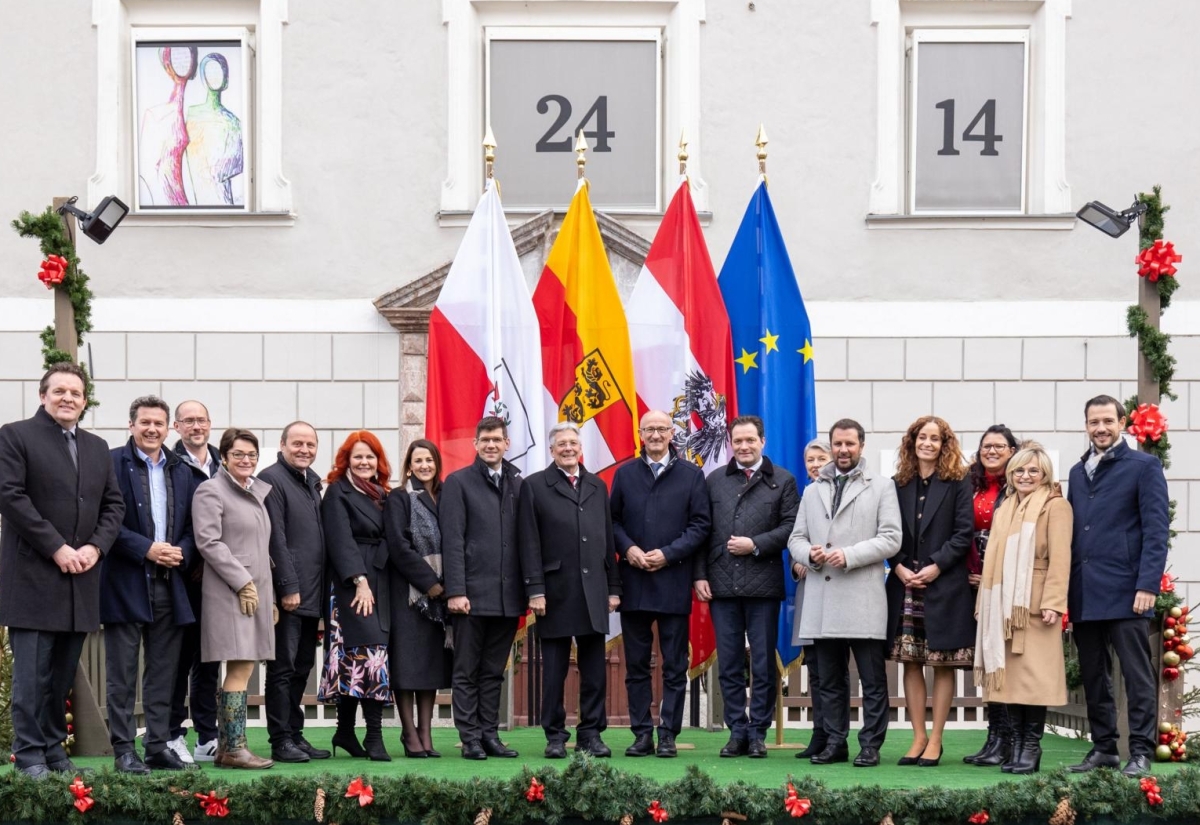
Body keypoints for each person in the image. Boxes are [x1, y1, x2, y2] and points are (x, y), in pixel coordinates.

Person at [0, 363, 125, 779]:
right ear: (43, 396)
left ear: (84, 401)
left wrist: (94, 547)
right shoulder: (15, 436)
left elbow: (114, 506)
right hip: (34, 577)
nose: (68, 398)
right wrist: (57, 547)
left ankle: (54, 750)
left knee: (61, 676)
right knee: (32, 676)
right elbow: (11, 498)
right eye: (59, 392)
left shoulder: (95, 446)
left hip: (80, 580)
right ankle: (29, 753)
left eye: (76, 392)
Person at [1067, 395, 1170, 778]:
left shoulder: (1144, 466)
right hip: (1084, 593)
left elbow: (1156, 531)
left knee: (1136, 675)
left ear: (1122, 422)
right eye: (1094, 422)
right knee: (1094, 675)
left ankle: (1140, 752)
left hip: (1129, 591)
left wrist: (1148, 585)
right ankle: (1104, 748)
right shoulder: (1078, 473)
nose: (1101, 428)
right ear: (1086, 425)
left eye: (1108, 420)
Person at [789, 418, 901, 768]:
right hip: (823, 598)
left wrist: (849, 555)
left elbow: (891, 538)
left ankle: (870, 744)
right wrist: (810, 554)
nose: (843, 450)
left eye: (850, 444)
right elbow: (796, 538)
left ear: (861, 446)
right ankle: (835, 742)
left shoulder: (881, 486)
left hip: (862, 596)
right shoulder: (811, 490)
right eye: (837, 444)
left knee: (871, 679)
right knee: (830, 680)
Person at [103, 395, 200, 773]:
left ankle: (158, 745)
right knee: (122, 674)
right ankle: (125, 750)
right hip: (125, 581)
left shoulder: (181, 469)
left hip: (169, 584)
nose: (152, 429)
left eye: (159, 423)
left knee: (163, 672)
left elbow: (195, 527)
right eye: (145, 422)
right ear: (131, 425)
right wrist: (147, 549)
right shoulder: (111, 463)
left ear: (168, 428)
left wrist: (182, 552)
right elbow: (105, 522)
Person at [694, 415, 799, 759]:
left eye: (750, 440)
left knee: (763, 664)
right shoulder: (714, 481)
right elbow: (702, 532)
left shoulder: (782, 481)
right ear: (731, 444)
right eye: (737, 441)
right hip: (721, 585)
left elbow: (791, 528)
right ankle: (736, 731)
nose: (744, 446)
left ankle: (758, 732)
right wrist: (700, 575)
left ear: (762, 441)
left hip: (763, 586)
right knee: (729, 662)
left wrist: (755, 543)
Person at [610, 410, 711, 758]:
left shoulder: (691, 475)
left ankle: (668, 733)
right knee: (636, 665)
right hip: (634, 581)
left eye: (661, 429)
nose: (655, 434)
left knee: (674, 665)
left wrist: (668, 554)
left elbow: (700, 526)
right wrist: (630, 548)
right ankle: (641, 733)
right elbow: (613, 521)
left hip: (672, 580)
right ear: (640, 434)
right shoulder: (624, 475)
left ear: (672, 434)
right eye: (649, 429)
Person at [519, 422, 622, 759]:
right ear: (551, 450)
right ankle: (555, 735)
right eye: (561, 443)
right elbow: (529, 543)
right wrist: (535, 589)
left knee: (594, 671)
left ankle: (591, 734)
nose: (567, 448)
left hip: (593, 592)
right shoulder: (534, 486)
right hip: (555, 592)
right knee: (553, 672)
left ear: (581, 448)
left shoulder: (596, 486)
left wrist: (613, 588)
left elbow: (607, 541)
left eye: (573, 443)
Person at [974, 443, 1071, 774]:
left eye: (1033, 470)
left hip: (1035, 606)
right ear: (1011, 474)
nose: (1025, 476)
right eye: (1019, 470)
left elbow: (1060, 558)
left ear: (1045, 474)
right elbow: (992, 562)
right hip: (1002, 607)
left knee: (1035, 682)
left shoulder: (1055, 506)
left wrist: (1054, 603)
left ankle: (1031, 747)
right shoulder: (1006, 508)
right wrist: (984, 603)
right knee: (1009, 683)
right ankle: (1016, 746)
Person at [886, 416, 974, 767]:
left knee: (941, 664)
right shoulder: (897, 483)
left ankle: (936, 739)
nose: (928, 443)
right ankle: (917, 736)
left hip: (944, 583)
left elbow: (963, 531)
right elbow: (886, 530)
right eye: (922, 437)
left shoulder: (958, 481)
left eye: (935, 438)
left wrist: (936, 565)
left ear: (944, 444)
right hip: (905, 581)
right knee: (910, 662)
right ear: (912, 442)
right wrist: (898, 565)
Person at [440, 416, 525, 760]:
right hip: (470, 596)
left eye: (497, 439)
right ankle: (470, 737)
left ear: (507, 444)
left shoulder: (519, 484)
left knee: (493, 671)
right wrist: (456, 591)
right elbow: (453, 540)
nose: (491, 445)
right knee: (466, 670)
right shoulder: (458, 483)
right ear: (475, 445)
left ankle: (490, 734)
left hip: (507, 597)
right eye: (485, 439)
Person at [191, 428, 275, 769]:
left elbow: (260, 547)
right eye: (238, 454)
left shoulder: (254, 490)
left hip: (256, 590)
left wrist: (269, 594)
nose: (246, 460)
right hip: (230, 591)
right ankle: (232, 749)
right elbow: (208, 542)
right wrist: (242, 582)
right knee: (239, 662)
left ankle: (231, 748)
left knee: (246, 663)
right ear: (223, 456)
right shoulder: (210, 490)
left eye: (251, 455)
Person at [318, 431, 395, 762]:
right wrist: (359, 580)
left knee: (357, 658)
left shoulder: (383, 495)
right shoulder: (338, 493)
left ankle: (345, 731)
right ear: (346, 461)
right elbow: (340, 541)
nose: (365, 462)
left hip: (381, 580)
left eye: (370, 456)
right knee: (368, 656)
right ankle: (374, 737)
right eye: (358, 457)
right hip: (352, 585)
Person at [258, 421, 330, 763]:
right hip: (291, 595)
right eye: (297, 443)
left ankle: (295, 733)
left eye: (310, 444)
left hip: (312, 595)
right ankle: (280, 739)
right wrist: (287, 586)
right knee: (282, 669)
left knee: (301, 668)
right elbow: (277, 539)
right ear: (283, 444)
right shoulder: (273, 479)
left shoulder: (311, 483)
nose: (304, 449)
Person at [383, 439, 452, 758]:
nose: (424, 465)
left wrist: (446, 585)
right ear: (409, 466)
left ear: (437, 463)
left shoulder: (446, 495)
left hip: (443, 593)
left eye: (429, 459)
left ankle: (426, 733)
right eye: (418, 460)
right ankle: (409, 733)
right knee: (408, 666)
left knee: (431, 666)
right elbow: (398, 546)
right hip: (411, 594)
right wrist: (429, 583)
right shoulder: (399, 497)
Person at [167, 399, 221, 764]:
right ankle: (172, 733)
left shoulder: (225, 463)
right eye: (188, 421)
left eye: (201, 420)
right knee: (178, 659)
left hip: (219, 579)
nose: (196, 426)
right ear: (177, 426)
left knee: (210, 660)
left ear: (210, 424)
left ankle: (208, 735)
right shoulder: (170, 465)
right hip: (183, 576)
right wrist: (191, 560)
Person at [962, 425, 1018, 767]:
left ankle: (1009, 738)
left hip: (1004, 583)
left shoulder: (1020, 486)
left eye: (999, 446)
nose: (992, 451)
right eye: (987, 446)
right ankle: (994, 735)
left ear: (1012, 450)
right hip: (971, 581)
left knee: (1003, 661)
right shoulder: (969, 485)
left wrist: (993, 575)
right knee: (984, 659)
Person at [790, 438, 836, 760]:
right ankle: (818, 733)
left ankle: (835, 734)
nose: (815, 464)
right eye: (810, 459)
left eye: (821, 458)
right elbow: (796, 538)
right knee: (815, 669)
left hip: (837, 588)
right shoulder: (805, 495)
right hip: (810, 587)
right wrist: (799, 560)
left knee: (833, 670)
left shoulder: (841, 492)